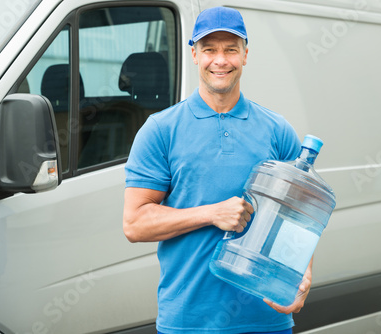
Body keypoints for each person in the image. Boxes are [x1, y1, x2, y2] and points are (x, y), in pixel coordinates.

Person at [123, 6, 313, 334]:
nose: (220, 60)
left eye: (230, 50)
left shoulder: (277, 130)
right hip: (188, 323)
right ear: (194, 54)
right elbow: (135, 224)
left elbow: (297, 216)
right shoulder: (161, 130)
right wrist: (210, 213)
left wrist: (304, 272)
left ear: (245, 55)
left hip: (267, 321)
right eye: (209, 49)